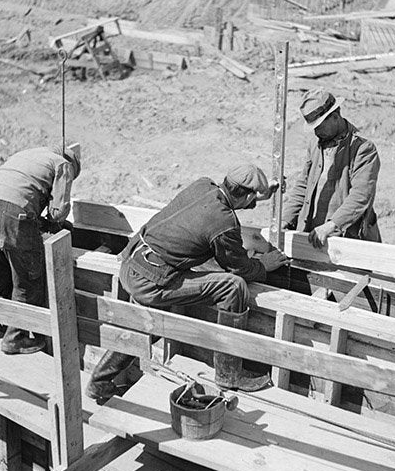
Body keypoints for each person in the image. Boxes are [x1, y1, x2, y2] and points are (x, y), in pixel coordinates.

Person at [86, 165, 290, 403]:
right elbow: (240, 268)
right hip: (151, 282)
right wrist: (265, 264)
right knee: (233, 286)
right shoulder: (224, 222)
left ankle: (99, 383)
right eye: (254, 198)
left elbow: (205, 226)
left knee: (146, 324)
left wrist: (261, 193)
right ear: (247, 195)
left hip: (134, 263)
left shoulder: (202, 185)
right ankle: (229, 374)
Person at [0, 143, 81, 355]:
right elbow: (58, 211)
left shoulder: (26, 154)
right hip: (13, 215)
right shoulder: (63, 165)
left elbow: (10, 187)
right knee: (28, 280)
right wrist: (53, 221)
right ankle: (15, 339)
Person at [281, 89, 382, 247]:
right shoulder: (315, 144)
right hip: (313, 233)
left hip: (347, 236)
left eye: (319, 126)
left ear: (335, 116)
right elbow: (303, 186)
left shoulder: (362, 148)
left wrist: (332, 225)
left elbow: (361, 195)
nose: (316, 131)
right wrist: (285, 220)